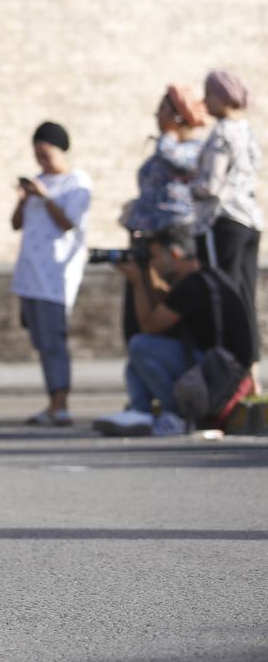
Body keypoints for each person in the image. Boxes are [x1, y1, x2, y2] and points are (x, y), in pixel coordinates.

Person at [98, 224, 259, 436]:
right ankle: (141, 413)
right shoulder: (204, 277)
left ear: (174, 254)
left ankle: (174, 415)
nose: (154, 264)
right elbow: (165, 303)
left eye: (156, 257)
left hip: (219, 376)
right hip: (219, 369)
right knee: (136, 362)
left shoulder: (193, 286)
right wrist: (146, 275)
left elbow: (150, 325)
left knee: (141, 346)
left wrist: (138, 282)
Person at [10, 122, 92, 427]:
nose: (42, 162)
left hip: (55, 275)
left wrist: (45, 197)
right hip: (29, 273)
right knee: (40, 340)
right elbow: (16, 223)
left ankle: (60, 405)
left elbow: (68, 223)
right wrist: (24, 198)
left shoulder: (76, 181)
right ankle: (53, 401)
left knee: (53, 339)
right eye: (37, 155)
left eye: (46, 154)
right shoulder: (36, 182)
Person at [117, 86, 207, 341]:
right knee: (138, 299)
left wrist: (169, 133)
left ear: (178, 115)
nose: (157, 116)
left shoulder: (195, 149)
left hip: (173, 236)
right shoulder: (162, 148)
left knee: (168, 300)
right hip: (146, 237)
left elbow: (174, 160)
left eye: (163, 111)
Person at [192, 70, 261, 344]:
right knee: (245, 297)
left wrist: (191, 185)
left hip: (223, 220)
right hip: (250, 220)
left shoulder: (221, 133)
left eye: (208, 94)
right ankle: (251, 372)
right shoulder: (246, 132)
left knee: (223, 298)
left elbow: (211, 185)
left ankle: (228, 366)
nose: (205, 101)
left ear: (222, 97)